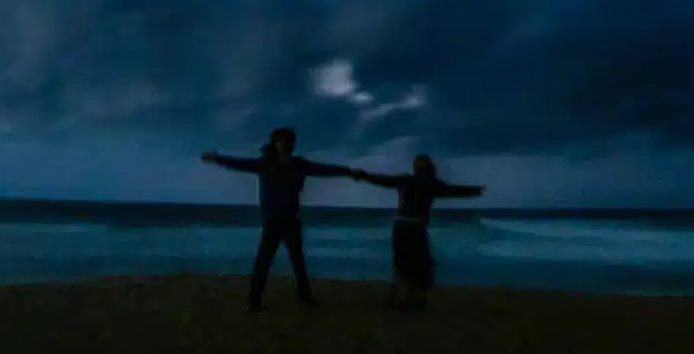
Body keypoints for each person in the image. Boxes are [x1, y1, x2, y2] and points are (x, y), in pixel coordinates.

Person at [202, 127, 359, 312]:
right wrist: (217, 158)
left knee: (298, 261)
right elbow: (239, 163)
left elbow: (323, 170)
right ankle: (254, 301)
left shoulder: (299, 165)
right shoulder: (265, 164)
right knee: (264, 261)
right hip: (273, 221)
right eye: (282, 141)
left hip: (292, 219)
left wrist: (347, 171)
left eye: (289, 141)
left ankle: (304, 296)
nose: (286, 144)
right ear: (275, 143)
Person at [352, 154, 484, 310]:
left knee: (401, 263)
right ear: (430, 169)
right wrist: (475, 191)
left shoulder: (406, 180)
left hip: (401, 225)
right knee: (421, 263)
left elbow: (382, 180)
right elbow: (454, 190)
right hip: (416, 226)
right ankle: (413, 300)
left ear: (415, 168)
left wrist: (363, 175)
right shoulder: (431, 184)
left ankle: (398, 299)